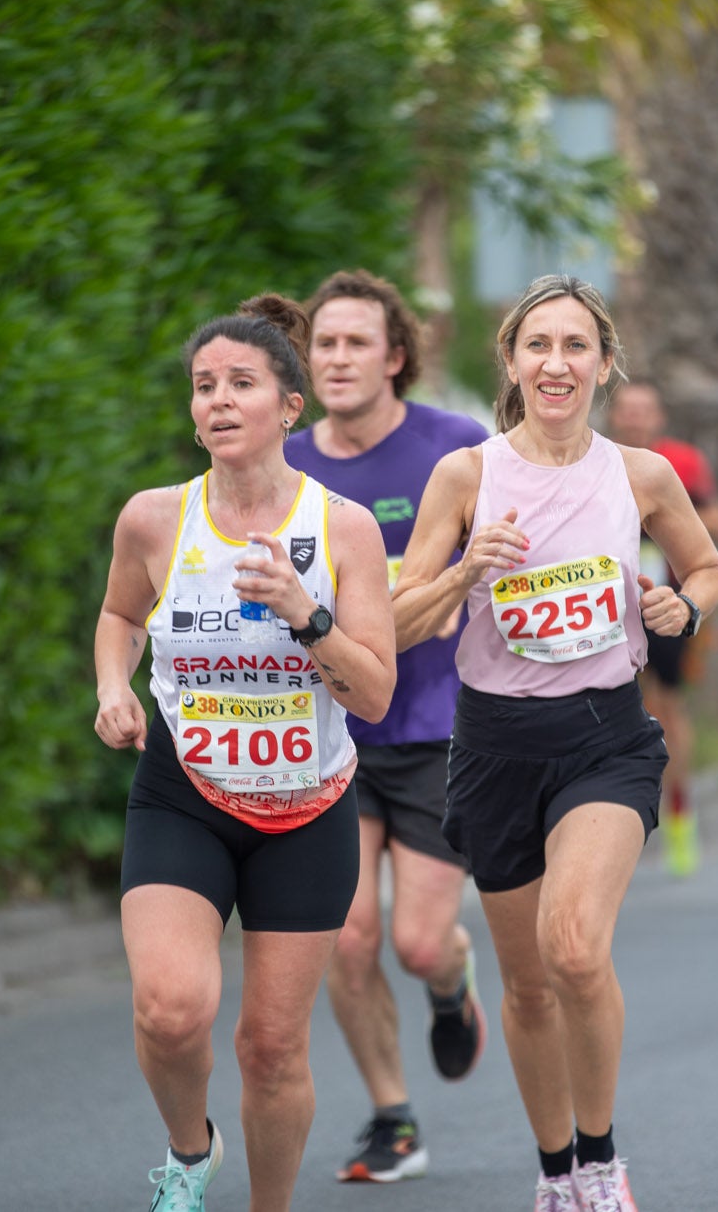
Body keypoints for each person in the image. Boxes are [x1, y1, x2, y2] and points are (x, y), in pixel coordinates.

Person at [392, 275, 718, 1212]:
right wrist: (467, 571)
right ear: (511, 361)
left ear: (605, 364)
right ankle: (555, 1173)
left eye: (576, 345)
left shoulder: (639, 473)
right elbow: (403, 619)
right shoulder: (468, 475)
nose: (556, 362)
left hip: (605, 738)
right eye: (538, 345)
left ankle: (603, 1157)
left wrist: (685, 604)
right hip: (495, 743)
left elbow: (706, 565)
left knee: (574, 947)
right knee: (530, 984)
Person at [93, 293, 397, 1212]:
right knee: (171, 1007)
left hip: (308, 807)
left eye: (241, 384)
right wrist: (114, 685)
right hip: (185, 789)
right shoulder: (154, 519)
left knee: (270, 1046)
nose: (217, 402)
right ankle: (191, 1151)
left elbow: (375, 692)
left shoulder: (343, 528)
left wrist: (308, 614)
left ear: (289, 406)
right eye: (202, 386)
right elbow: (118, 616)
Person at [281, 270, 490, 1185]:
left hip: (443, 727)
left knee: (415, 941)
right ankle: (392, 1115)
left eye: (355, 342)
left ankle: (451, 981)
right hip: (334, 735)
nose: (335, 357)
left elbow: (501, 568)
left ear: (395, 356)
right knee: (348, 934)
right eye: (322, 342)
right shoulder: (285, 464)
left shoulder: (457, 449)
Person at [606, 381, 718, 876]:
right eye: (628, 411)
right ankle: (624, 813)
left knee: (669, 708)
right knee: (622, 705)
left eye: (645, 411)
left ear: (659, 418)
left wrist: (659, 518)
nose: (635, 419)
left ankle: (680, 809)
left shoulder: (679, 462)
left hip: (667, 602)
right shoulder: (597, 459)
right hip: (611, 604)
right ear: (615, 416)